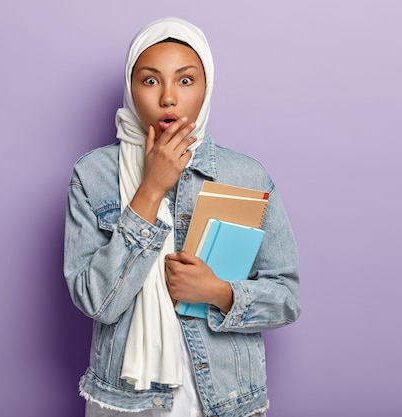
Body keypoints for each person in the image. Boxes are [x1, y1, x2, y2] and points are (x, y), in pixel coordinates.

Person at [63, 16, 301, 417]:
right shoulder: (93, 175)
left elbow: (286, 299)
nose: (168, 98)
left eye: (186, 80)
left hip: (226, 401)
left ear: (207, 89)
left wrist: (219, 293)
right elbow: (95, 301)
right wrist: (150, 190)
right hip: (127, 403)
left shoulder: (246, 176)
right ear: (131, 87)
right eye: (151, 80)